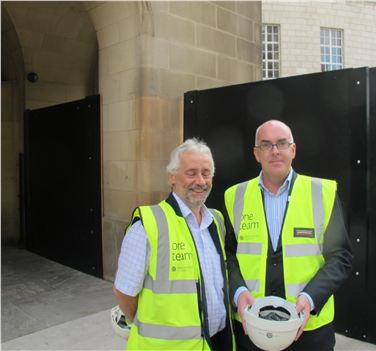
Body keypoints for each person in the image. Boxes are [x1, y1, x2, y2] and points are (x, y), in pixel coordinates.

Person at [224, 120, 353, 351]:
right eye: (266, 144)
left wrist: (310, 298)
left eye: (281, 143)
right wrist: (238, 292)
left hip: (309, 331)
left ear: (293, 150)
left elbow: (341, 257)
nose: (275, 151)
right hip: (251, 328)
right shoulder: (235, 196)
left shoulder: (321, 193)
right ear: (256, 154)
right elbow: (228, 255)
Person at [113, 138, 234, 351]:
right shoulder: (148, 224)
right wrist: (144, 325)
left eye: (206, 173)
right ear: (172, 176)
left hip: (216, 342)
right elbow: (125, 293)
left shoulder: (216, 221)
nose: (200, 180)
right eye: (191, 173)